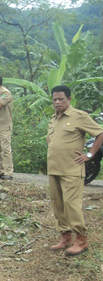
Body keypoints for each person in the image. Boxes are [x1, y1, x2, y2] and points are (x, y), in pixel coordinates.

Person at [47, 85, 103, 256]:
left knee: (72, 205)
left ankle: (81, 239)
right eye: (55, 99)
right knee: (58, 204)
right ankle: (65, 236)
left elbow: (100, 133)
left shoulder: (79, 116)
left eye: (61, 99)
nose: (57, 102)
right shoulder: (53, 119)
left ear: (69, 99)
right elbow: (51, 139)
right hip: (54, 168)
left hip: (72, 169)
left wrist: (90, 154)